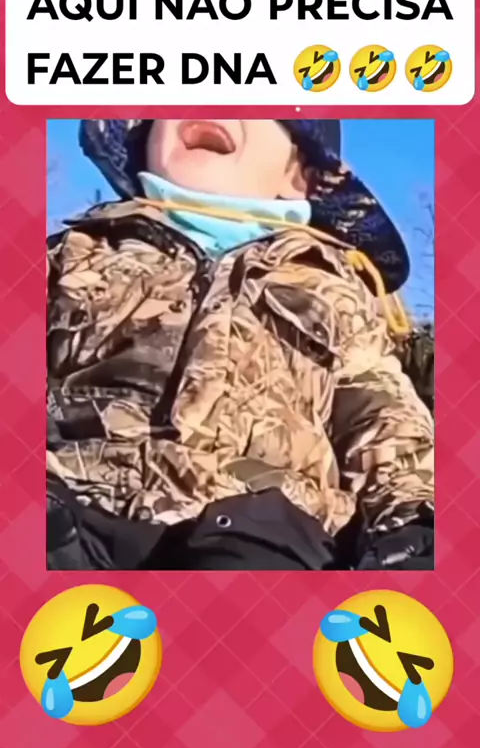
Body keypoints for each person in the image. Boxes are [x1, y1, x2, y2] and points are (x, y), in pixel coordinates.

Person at [47, 119, 434, 570]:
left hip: (260, 523)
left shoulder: (333, 286)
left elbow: (382, 415)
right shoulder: (74, 254)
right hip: (76, 496)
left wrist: (414, 521)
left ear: (299, 177)